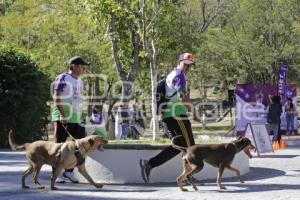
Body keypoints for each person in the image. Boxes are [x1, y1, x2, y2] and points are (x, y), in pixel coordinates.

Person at [139, 53, 196, 183]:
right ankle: (188, 176)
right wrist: (194, 110)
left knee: (181, 145)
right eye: (185, 64)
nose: (188, 68)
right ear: (178, 62)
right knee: (189, 146)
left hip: (171, 114)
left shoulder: (173, 74)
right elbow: (183, 98)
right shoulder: (179, 76)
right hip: (176, 114)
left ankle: (150, 164)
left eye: (190, 65)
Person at [51, 56, 89, 183]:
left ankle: (69, 172)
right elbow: (56, 97)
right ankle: (56, 174)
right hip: (62, 117)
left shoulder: (80, 81)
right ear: (74, 66)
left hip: (76, 118)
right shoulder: (63, 78)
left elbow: (77, 99)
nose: (84, 69)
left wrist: (81, 115)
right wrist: (62, 115)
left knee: (80, 146)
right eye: (82, 66)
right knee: (59, 145)